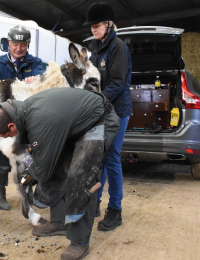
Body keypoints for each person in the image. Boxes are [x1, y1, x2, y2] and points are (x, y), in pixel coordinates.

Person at [0, 87, 120, 260]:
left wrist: (31, 175)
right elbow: (38, 155)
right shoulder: (24, 112)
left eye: (7, 134)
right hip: (76, 124)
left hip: (99, 121)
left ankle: (79, 242)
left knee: (82, 175)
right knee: (56, 164)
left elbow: (42, 170)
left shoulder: (39, 120)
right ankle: (59, 222)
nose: (9, 138)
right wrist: (32, 167)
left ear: (11, 125)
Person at [83, 1, 133, 231]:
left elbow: (117, 82)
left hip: (117, 111)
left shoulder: (118, 47)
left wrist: (96, 100)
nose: (94, 29)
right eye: (92, 26)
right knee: (97, 157)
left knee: (111, 157)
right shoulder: (94, 48)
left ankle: (116, 210)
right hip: (100, 110)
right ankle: (95, 203)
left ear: (109, 24)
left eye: (97, 25)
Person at [0, 25, 45, 210]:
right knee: (2, 157)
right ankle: (0, 194)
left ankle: (28, 193)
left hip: (28, 118)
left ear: (28, 45)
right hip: (6, 117)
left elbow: (44, 79)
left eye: (23, 45)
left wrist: (35, 79)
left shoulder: (35, 62)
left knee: (29, 156)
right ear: (9, 43)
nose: (19, 49)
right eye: (15, 45)